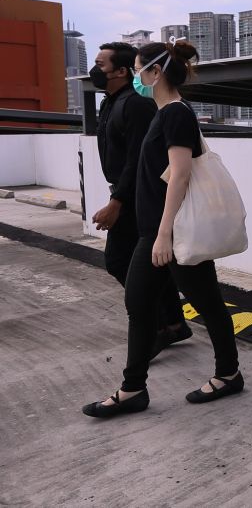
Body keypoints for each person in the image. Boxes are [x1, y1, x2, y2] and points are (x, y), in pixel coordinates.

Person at [82, 40, 241, 417]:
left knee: (207, 304)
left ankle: (228, 373)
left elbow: (181, 174)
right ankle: (133, 389)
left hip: (172, 232)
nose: (137, 76)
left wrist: (165, 233)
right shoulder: (162, 112)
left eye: (139, 69)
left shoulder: (174, 114)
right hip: (152, 232)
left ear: (154, 72)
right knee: (138, 303)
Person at [90, 42, 191, 356]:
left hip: (137, 198)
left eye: (101, 64)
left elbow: (142, 160)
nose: (95, 70)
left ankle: (162, 327)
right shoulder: (111, 103)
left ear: (121, 71)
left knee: (122, 262)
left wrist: (117, 202)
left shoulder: (139, 105)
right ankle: (173, 323)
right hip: (127, 194)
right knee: (147, 265)